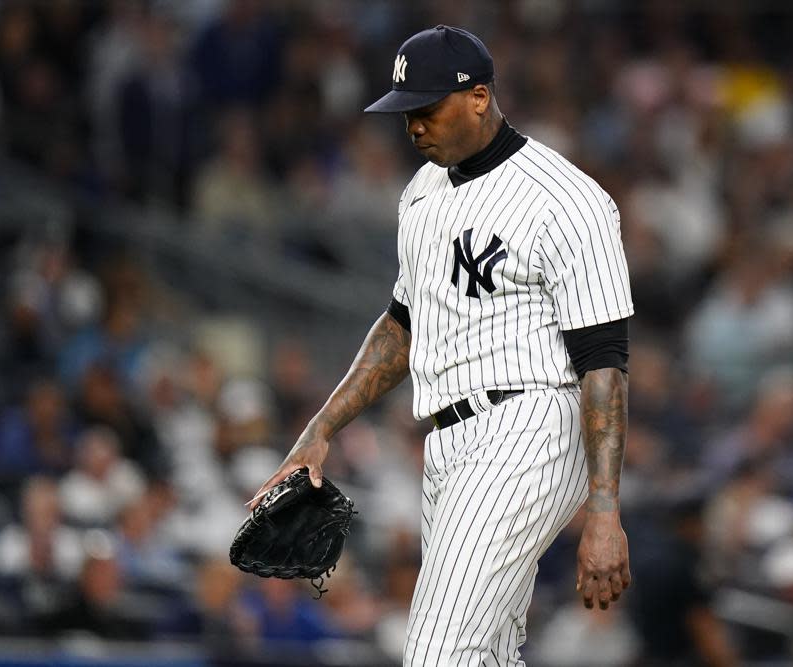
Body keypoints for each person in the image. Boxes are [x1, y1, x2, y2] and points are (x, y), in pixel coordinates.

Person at [250, 25, 634, 666]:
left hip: (531, 424)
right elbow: (401, 326)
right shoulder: (423, 193)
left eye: (428, 110)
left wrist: (604, 508)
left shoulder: (567, 202)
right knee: (487, 654)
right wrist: (323, 427)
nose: (414, 128)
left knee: (436, 653)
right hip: (449, 442)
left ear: (479, 97)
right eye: (406, 113)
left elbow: (605, 364)